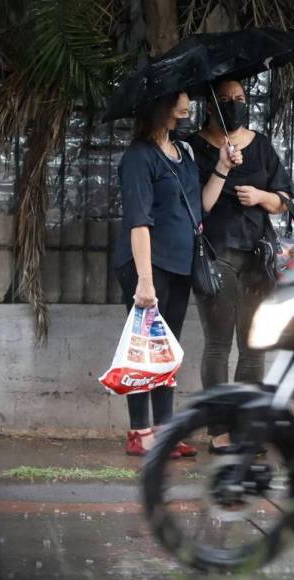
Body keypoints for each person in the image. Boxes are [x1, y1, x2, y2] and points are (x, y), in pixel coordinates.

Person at [114, 90, 240, 457]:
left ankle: (165, 433)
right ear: (160, 105)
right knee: (143, 349)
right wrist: (145, 280)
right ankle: (140, 432)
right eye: (179, 100)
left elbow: (200, 205)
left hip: (180, 263)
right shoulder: (139, 157)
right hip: (147, 266)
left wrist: (222, 168)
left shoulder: (182, 152)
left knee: (166, 349)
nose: (187, 106)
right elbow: (138, 220)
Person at [186, 79, 294, 453]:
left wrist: (262, 195)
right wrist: (221, 167)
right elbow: (198, 205)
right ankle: (220, 433)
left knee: (254, 346)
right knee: (217, 345)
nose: (235, 105)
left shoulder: (261, 145)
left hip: (257, 257)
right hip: (215, 254)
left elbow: (284, 200)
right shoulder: (194, 147)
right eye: (225, 101)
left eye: (240, 99)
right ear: (210, 107)